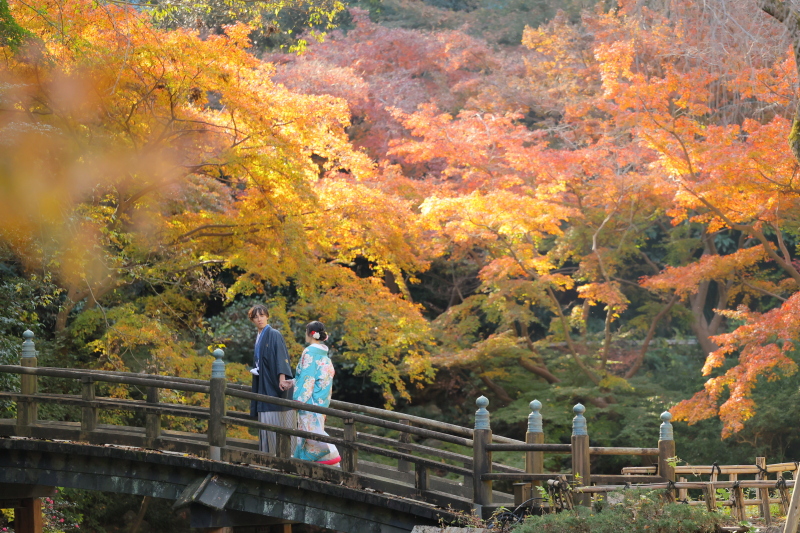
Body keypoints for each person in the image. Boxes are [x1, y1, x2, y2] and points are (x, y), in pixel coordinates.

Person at [248, 304, 296, 455]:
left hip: (273, 381)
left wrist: (282, 378)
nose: (259, 319)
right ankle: (267, 453)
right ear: (252, 320)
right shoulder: (259, 336)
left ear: (267, 316)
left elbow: (281, 356)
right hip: (262, 379)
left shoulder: (274, 334)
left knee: (274, 414)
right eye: (256, 317)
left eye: (262, 316)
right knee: (265, 415)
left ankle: (280, 454)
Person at [292, 321, 341, 465]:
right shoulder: (323, 353)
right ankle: (309, 462)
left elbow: (307, 378)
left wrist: (297, 400)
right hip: (321, 398)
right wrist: (292, 381)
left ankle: (331, 454)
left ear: (310, 333)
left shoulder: (309, 352)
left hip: (309, 399)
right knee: (313, 430)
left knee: (309, 432)